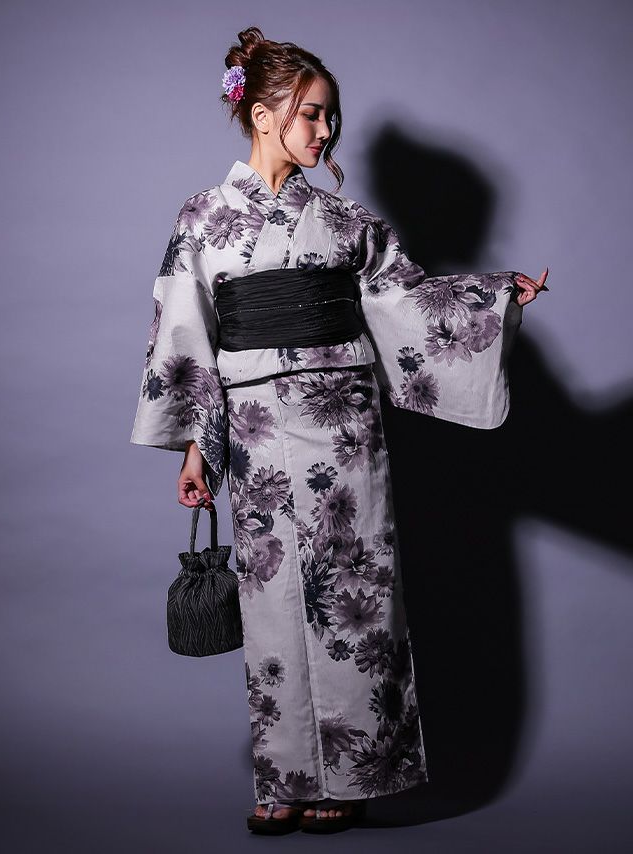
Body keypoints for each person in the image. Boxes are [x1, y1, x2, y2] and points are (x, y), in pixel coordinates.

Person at [130, 25, 548, 835]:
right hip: (254, 431)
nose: (326, 131)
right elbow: (185, 334)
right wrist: (195, 448)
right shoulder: (204, 218)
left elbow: (407, 304)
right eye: (311, 114)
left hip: (346, 427)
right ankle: (285, 775)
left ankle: (353, 777)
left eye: (331, 117)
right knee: (275, 602)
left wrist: (494, 299)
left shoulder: (348, 220)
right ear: (261, 115)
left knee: (356, 593)